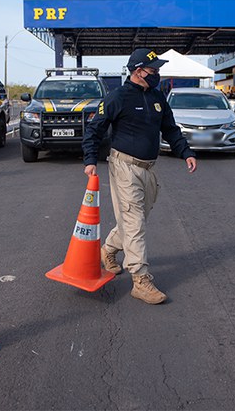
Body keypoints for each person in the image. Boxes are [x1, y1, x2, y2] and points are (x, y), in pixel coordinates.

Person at [82, 48, 197, 305]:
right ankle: (141, 280)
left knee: (136, 219)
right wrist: (90, 159)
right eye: (154, 70)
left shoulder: (157, 96)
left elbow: (169, 128)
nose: (157, 74)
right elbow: (95, 128)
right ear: (138, 71)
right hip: (124, 166)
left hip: (148, 168)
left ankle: (109, 250)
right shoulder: (117, 97)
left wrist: (185, 151)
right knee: (134, 223)